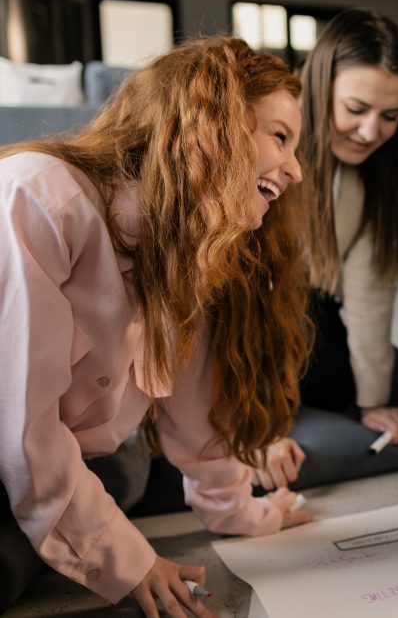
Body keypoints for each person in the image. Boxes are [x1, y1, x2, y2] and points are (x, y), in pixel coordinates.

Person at [0, 37, 312, 617]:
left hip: (48, 466)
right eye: (279, 136)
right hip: (14, 453)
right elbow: (21, 425)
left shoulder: (184, 255)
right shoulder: (40, 196)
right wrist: (129, 560)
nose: (295, 169)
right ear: (209, 121)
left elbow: (197, 419)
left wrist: (246, 516)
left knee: (111, 492)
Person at [251, 8, 398, 493]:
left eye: (389, 116)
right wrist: (257, 426)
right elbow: (224, 313)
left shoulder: (373, 175)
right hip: (241, 338)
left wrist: (373, 402)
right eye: (355, 109)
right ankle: (226, 461)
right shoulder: (256, 153)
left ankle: (284, 448)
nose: (370, 132)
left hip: (311, 331)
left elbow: (370, 300)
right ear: (318, 86)